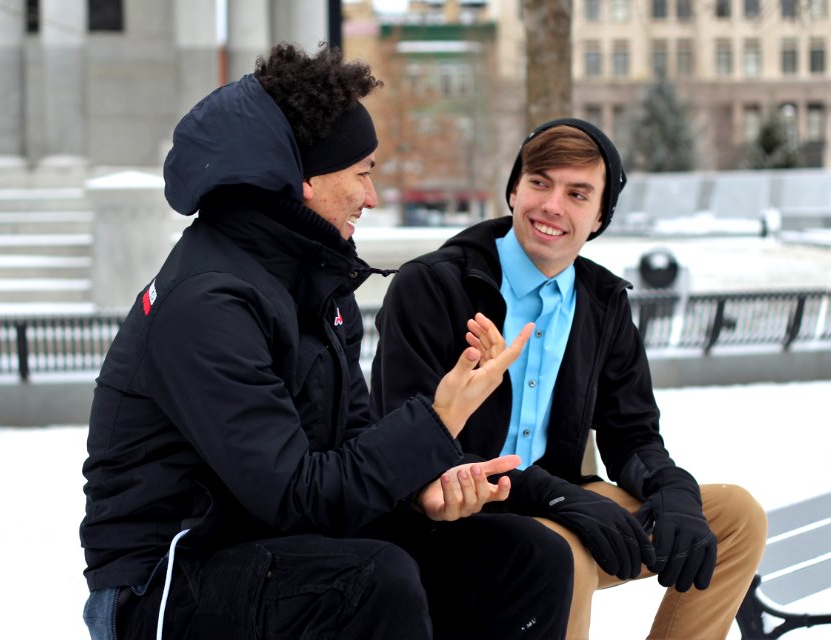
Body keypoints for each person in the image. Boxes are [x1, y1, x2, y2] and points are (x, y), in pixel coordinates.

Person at [79, 43, 570, 640]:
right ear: (302, 180)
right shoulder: (208, 302)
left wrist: (422, 491)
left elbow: (347, 447)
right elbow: (292, 493)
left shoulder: (314, 284)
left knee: (524, 555)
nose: (372, 196)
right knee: (370, 580)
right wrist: (440, 420)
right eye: (362, 172)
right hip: (162, 584)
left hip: (279, 547)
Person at [370, 118, 769, 639]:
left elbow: (632, 433)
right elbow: (408, 441)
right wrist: (558, 497)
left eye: (578, 193)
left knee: (735, 516)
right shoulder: (435, 286)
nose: (553, 206)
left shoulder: (601, 303)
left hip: (562, 503)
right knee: (563, 553)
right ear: (514, 189)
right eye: (540, 182)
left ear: (600, 215)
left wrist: (672, 491)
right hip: (454, 514)